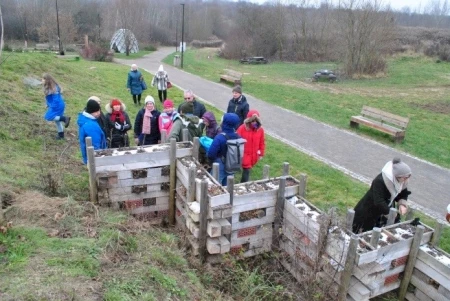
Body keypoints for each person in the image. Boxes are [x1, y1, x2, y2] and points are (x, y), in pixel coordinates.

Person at [352, 158, 412, 234]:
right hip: (369, 210)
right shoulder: (379, 181)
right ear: (398, 176)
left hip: (385, 209)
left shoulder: (401, 181)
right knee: (362, 232)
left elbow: (403, 193)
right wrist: (391, 214)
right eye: (406, 177)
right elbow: (379, 201)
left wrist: (402, 204)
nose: (407, 180)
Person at [207, 113, 241, 186]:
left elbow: (211, 154)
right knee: (228, 187)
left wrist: (215, 160)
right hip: (232, 165)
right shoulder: (238, 137)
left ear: (224, 123)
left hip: (220, 165)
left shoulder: (220, 137)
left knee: (213, 186)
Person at [236, 110, 265, 183]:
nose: (254, 123)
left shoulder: (260, 130)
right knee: (247, 170)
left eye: (256, 121)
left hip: (254, 154)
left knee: (248, 169)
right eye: (252, 121)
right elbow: (236, 140)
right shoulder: (242, 128)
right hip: (244, 154)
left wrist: (261, 153)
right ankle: (243, 185)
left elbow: (262, 142)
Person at [77, 99, 107, 164]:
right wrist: (100, 158)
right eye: (97, 111)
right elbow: (95, 145)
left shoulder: (85, 120)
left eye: (99, 110)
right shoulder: (91, 126)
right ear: (91, 112)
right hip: (95, 159)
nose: (99, 113)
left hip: (88, 157)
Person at [42, 73, 71, 140]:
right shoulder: (49, 87)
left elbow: (56, 99)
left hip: (57, 106)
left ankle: (65, 118)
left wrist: (52, 106)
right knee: (57, 120)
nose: (42, 80)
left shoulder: (53, 88)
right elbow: (49, 98)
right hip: (58, 105)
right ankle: (61, 135)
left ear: (47, 80)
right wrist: (47, 104)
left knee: (48, 117)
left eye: (44, 79)